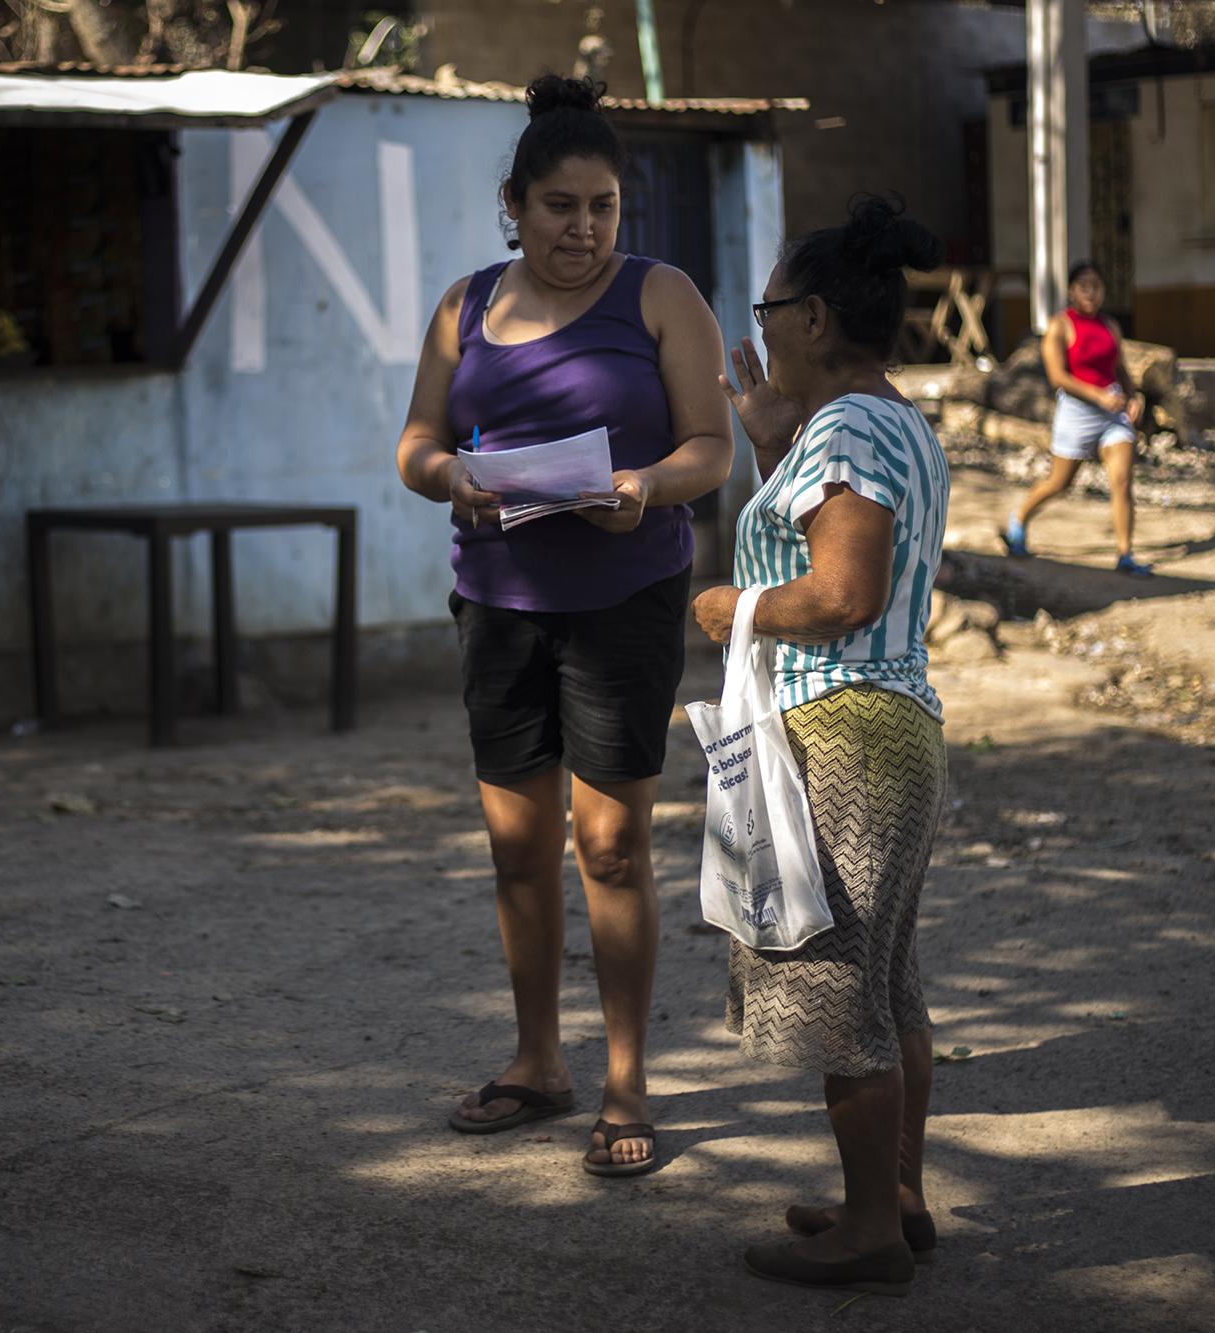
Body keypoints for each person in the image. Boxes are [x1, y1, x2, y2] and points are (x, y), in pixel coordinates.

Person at [394, 75, 734, 1175]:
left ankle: (626, 1082)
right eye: (557, 206)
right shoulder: (462, 305)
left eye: (601, 207)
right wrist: (451, 476)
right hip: (498, 605)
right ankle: (537, 1062)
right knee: (516, 849)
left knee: (611, 847)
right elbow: (413, 445)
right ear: (512, 202)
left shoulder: (661, 297)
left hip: (623, 607)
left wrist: (638, 487)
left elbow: (710, 450)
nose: (581, 228)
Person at [694, 194, 950, 1297]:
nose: (759, 330)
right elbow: (848, 556)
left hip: (841, 727)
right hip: (886, 725)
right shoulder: (881, 421)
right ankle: (887, 1197)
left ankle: (867, 1234)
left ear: (809, 319)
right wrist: (769, 448)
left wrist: (729, 608)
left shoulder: (847, 429)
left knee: (839, 988)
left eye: (767, 308)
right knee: (886, 984)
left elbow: (839, 591)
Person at [1002, 260, 1153, 576]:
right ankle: (1019, 521)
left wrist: (1134, 395)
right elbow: (1058, 377)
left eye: (1097, 286)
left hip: (1113, 413)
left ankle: (1125, 556)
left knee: (1122, 481)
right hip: (1077, 412)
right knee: (1060, 482)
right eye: (1084, 286)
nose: (1091, 292)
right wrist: (1098, 395)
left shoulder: (1110, 325)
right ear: (1071, 290)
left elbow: (1121, 369)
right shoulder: (1059, 326)